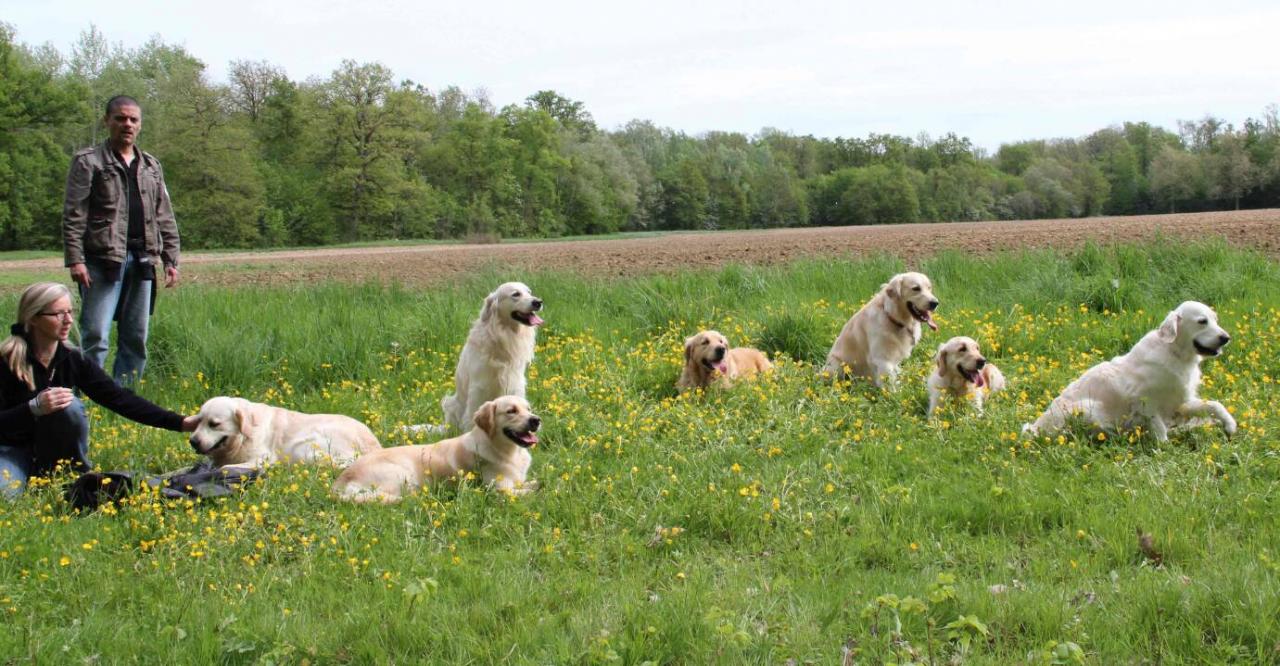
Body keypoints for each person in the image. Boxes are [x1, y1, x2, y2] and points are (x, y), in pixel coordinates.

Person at [0, 282, 198, 500]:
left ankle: (73, 473)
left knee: (70, 406)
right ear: (34, 318)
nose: (68, 320)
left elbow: (118, 398)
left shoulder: (73, 358)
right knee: (4, 494)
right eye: (58, 314)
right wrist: (33, 409)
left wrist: (181, 423)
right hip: (11, 450)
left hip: (55, 455)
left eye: (70, 312)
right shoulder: (6, 360)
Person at [63, 95, 181, 384]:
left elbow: (164, 213)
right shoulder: (88, 162)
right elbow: (74, 213)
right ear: (108, 121)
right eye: (120, 118)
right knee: (95, 335)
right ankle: (86, 397)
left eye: (133, 119)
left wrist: (171, 259)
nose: (127, 124)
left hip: (143, 261)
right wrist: (75, 259)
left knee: (136, 337)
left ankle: (124, 399)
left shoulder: (151, 166)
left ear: (139, 125)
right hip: (101, 261)